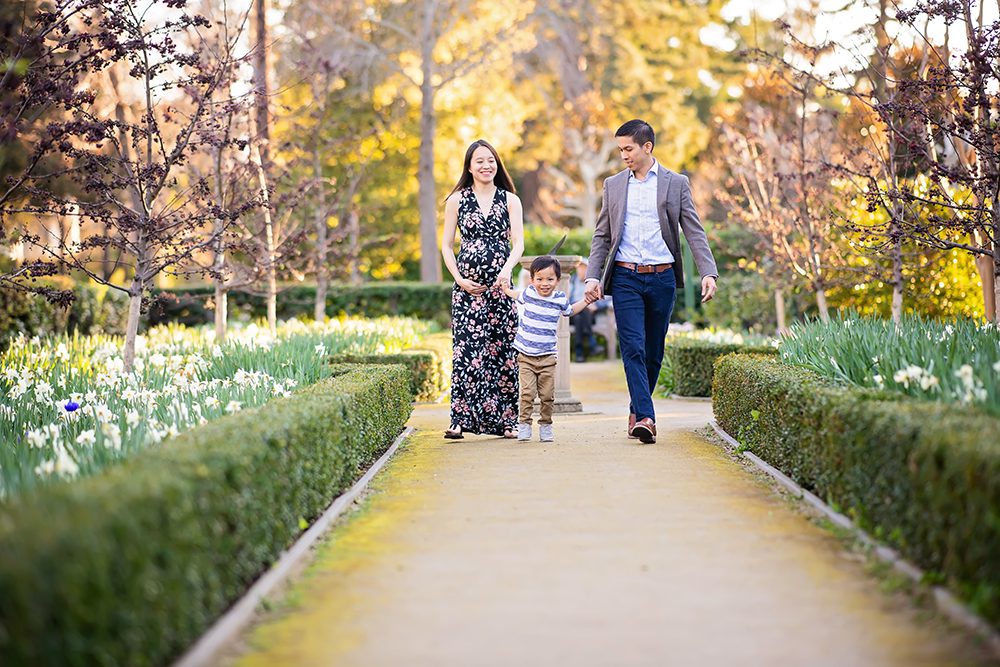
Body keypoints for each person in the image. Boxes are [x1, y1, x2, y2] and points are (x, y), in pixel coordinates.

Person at [584, 120, 718, 444]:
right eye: (620, 150)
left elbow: (693, 230)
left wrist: (708, 272)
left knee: (654, 351)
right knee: (632, 345)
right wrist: (592, 275)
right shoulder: (613, 185)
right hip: (626, 276)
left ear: (647, 147)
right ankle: (646, 417)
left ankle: (636, 408)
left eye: (628, 149)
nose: (623, 155)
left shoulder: (676, 183)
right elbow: (602, 235)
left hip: (661, 278)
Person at [441, 139, 524, 440]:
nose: (486, 165)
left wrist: (505, 271)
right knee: (467, 353)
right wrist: (460, 279)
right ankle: (459, 421)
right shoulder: (456, 200)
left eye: (491, 160)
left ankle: (507, 422)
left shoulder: (510, 200)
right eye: (479, 161)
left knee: (503, 352)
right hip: (467, 293)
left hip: (502, 290)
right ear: (469, 166)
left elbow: (519, 244)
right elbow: (447, 247)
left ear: (497, 163)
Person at [501, 255, 592, 441]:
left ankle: (546, 425)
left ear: (558, 281)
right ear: (532, 279)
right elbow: (516, 294)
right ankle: (524, 424)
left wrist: (587, 301)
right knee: (526, 393)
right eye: (539, 279)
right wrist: (505, 289)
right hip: (526, 355)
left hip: (547, 357)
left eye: (550, 279)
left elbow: (571, 311)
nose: (544, 283)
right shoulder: (529, 293)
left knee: (547, 396)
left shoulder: (559, 298)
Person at [567, 257, 608, 362]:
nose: (580, 271)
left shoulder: (595, 282)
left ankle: (580, 354)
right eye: (578, 268)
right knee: (579, 315)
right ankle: (592, 343)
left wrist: (597, 306)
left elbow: (607, 300)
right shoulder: (572, 280)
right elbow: (567, 300)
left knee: (580, 317)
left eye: (583, 268)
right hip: (573, 312)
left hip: (591, 314)